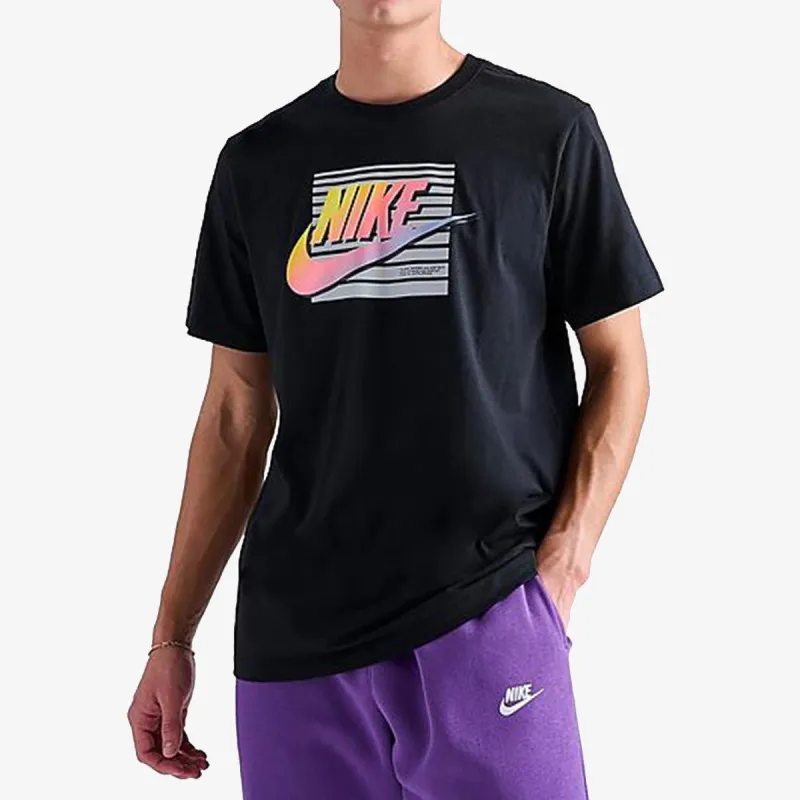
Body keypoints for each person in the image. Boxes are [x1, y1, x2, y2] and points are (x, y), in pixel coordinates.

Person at [127, 1, 663, 797]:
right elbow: (235, 414)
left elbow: (620, 364)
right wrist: (171, 637)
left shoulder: (547, 132)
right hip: (295, 642)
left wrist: (565, 565)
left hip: (487, 613)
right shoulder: (258, 162)